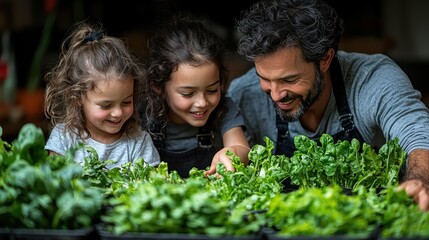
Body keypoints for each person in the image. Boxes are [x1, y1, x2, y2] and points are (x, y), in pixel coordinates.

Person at [227, 0, 429, 211]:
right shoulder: (244, 93)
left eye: (289, 80)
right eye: (265, 79)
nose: (276, 94)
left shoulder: (373, 78)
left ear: (325, 59)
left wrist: (420, 179)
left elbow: (419, 134)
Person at [143, 14, 250, 178]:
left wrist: (232, 153)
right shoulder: (144, 115)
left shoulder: (224, 110)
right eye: (188, 93)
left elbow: (241, 148)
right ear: (158, 87)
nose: (201, 103)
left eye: (212, 90)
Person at [44, 21, 160, 169]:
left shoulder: (139, 142)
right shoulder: (64, 139)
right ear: (76, 98)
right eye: (106, 105)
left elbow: (154, 187)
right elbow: (54, 183)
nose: (118, 113)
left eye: (126, 102)